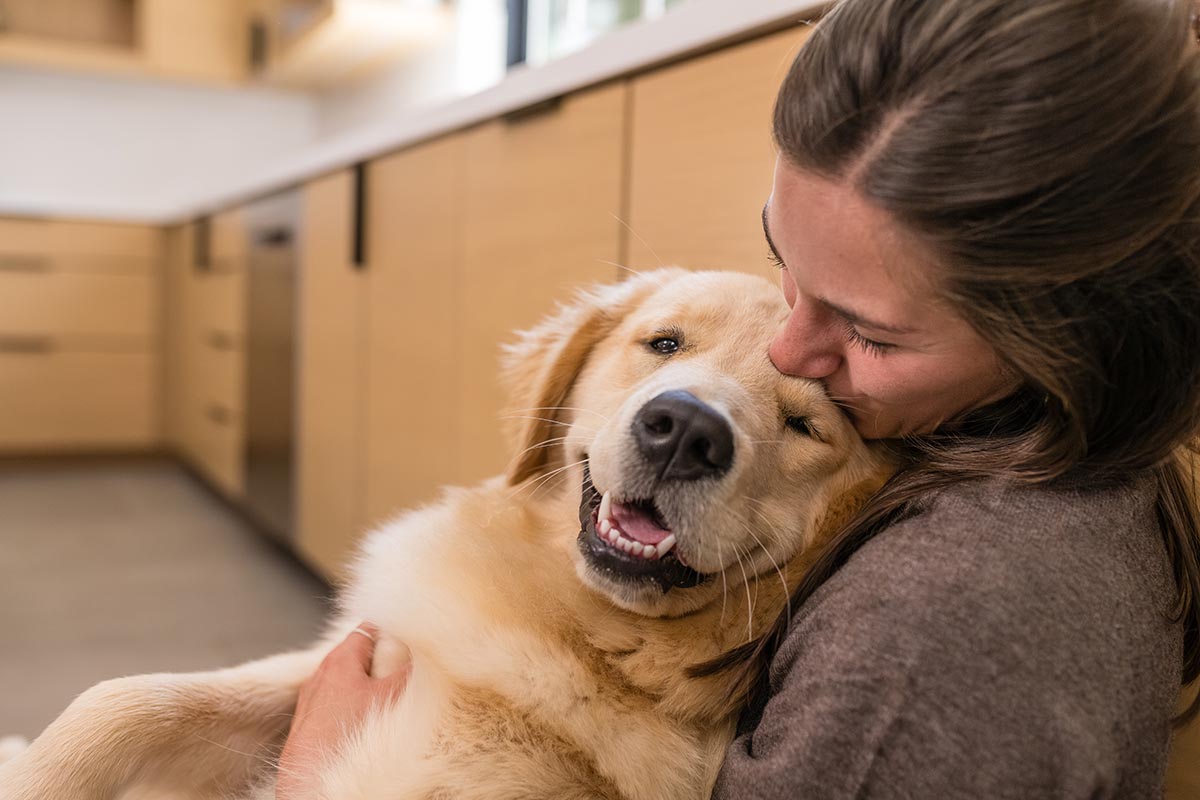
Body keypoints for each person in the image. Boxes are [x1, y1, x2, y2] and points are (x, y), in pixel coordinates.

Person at [277, 0, 1200, 796]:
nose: (788, 348)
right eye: (782, 259)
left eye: (870, 333)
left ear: (1066, 343)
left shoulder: (934, 635)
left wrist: (316, 777)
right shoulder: (1075, 463)